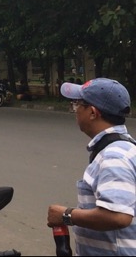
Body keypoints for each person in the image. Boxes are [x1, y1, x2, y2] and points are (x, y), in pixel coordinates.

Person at [47, 78, 136, 255]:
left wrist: (66, 215)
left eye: (78, 104)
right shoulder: (124, 148)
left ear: (93, 112)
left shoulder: (114, 155)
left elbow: (118, 216)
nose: (75, 110)